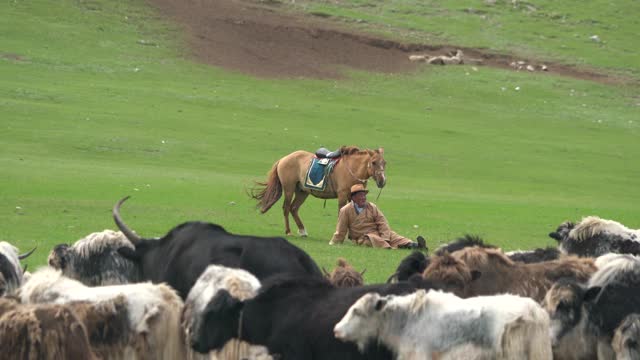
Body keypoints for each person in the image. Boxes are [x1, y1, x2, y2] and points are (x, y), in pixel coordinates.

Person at [329, 184, 427, 250]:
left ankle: (415, 245)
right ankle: (390, 248)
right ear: (353, 198)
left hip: (378, 232)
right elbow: (340, 230)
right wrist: (334, 243)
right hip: (363, 237)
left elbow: (382, 222)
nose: (363, 198)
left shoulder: (371, 206)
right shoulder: (345, 210)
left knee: (395, 237)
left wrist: (385, 236)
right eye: (360, 196)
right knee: (372, 240)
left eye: (364, 195)